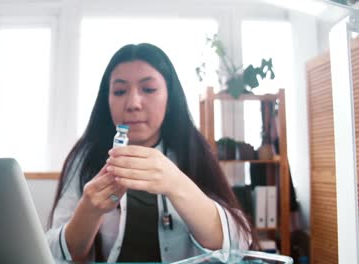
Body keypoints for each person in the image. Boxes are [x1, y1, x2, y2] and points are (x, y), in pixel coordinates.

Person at [46, 43, 254, 263]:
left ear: (170, 97)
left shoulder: (192, 151)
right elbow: (51, 253)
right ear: (106, 99)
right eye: (119, 91)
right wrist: (88, 210)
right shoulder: (85, 158)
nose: (133, 103)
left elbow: (238, 244)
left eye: (149, 89)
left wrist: (176, 184)